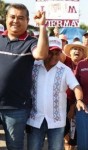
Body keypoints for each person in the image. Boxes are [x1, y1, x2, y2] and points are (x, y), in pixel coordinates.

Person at [0, 3, 49, 150]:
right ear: (5, 19)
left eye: (21, 18)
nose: (16, 20)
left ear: (28, 21)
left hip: (16, 108)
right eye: (12, 17)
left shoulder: (31, 42)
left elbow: (41, 54)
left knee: (14, 147)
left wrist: (42, 27)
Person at [26, 37, 87, 150]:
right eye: (50, 52)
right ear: (44, 51)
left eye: (57, 53)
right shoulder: (34, 66)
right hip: (35, 119)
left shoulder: (65, 70)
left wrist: (79, 100)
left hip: (56, 121)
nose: (54, 56)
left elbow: (76, 86)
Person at [63, 41, 88, 150]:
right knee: (65, 133)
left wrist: (73, 107)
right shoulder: (65, 62)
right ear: (70, 52)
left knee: (74, 136)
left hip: (79, 103)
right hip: (62, 102)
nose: (77, 51)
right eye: (74, 48)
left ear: (83, 54)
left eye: (80, 49)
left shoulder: (85, 66)